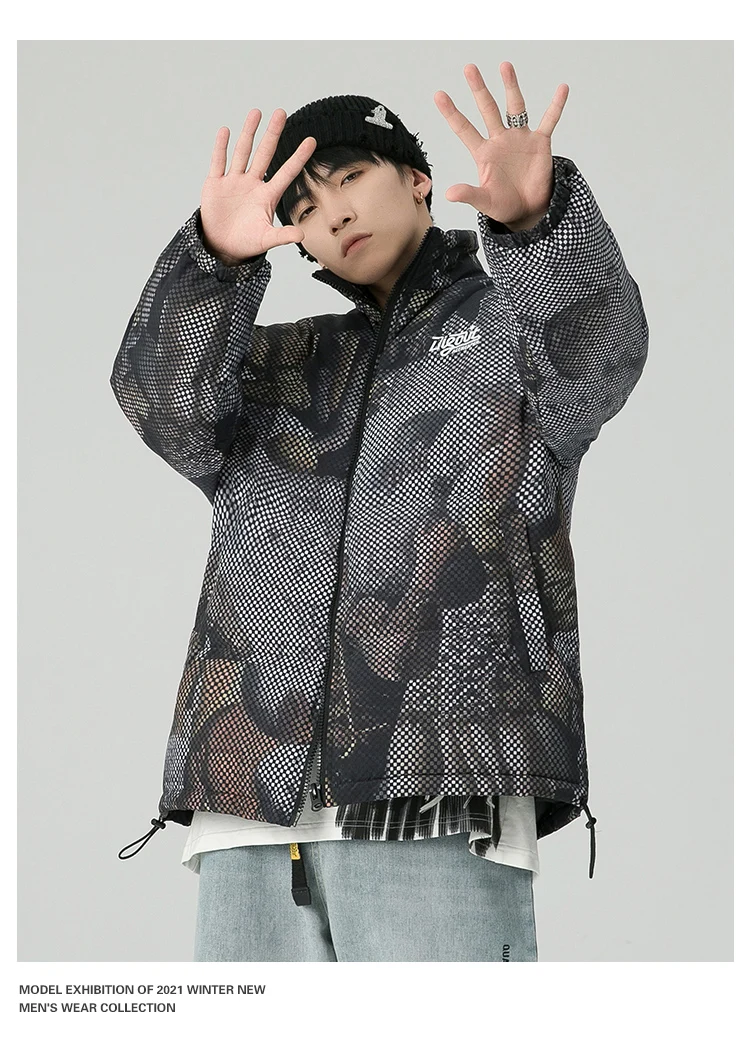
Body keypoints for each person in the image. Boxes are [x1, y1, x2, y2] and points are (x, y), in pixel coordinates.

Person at [111, 60, 649, 962]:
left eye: (351, 177)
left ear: (417, 179)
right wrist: (213, 260)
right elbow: (163, 404)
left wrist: (540, 226)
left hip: (442, 789)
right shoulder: (281, 369)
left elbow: (600, 350)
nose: (334, 213)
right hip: (249, 808)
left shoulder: (515, 339)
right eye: (305, 206)